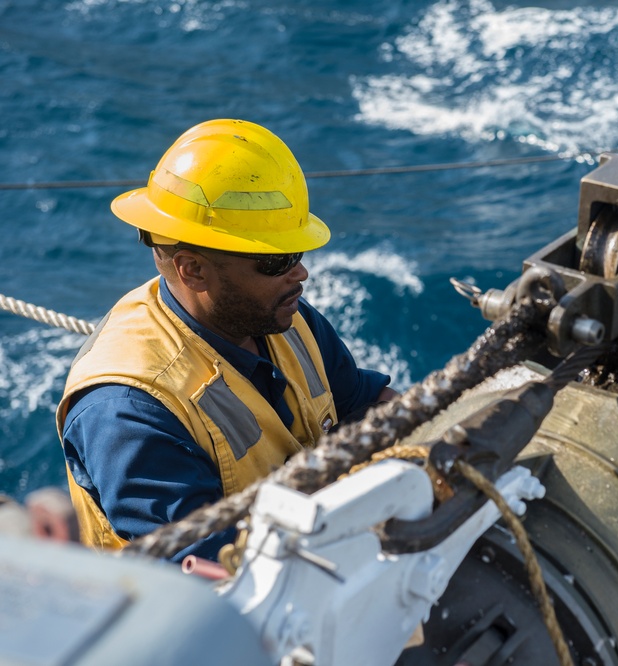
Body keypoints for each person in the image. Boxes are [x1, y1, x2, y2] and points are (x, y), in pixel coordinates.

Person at [56, 119, 397, 562]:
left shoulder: (283, 318)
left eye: (297, 252)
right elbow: (209, 571)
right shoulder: (128, 411)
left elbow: (366, 403)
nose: (301, 273)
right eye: (276, 260)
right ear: (192, 269)